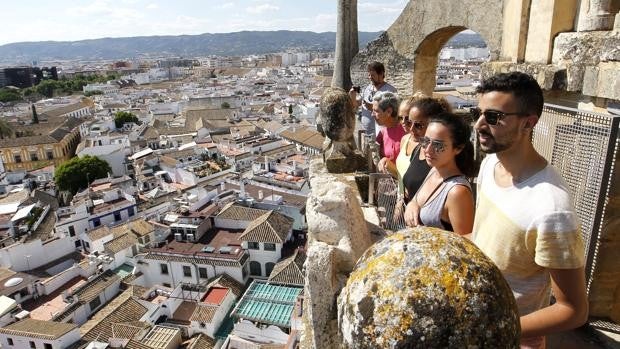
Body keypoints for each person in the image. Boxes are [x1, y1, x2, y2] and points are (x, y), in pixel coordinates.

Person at [472, 72, 588, 348]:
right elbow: (481, 239)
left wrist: (499, 330)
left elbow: (573, 309)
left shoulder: (550, 209)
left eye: (493, 117)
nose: (478, 125)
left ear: (529, 122)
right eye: (477, 113)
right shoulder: (491, 165)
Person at [403, 112, 475, 236]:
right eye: (425, 141)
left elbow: (466, 244)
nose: (428, 149)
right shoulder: (434, 170)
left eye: (438, 145)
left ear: (458, 148)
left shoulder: (457, 192)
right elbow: (417, 199)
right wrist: (412, 204)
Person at [400, 97, 452, 202]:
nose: (411, 129)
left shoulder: (442, 157)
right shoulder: (418, 149)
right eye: (410, 122)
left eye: (418, 125)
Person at [349, 61, 397, 137]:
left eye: (373, 75)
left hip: (382, 133)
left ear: (381, 74)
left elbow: (392, 113)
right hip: (365, 133)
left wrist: (372, 108)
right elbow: (356, 104)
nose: (370, 77)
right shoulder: (367, 89)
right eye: (369, 75)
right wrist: (352, 96)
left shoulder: (390, 91)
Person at [372, 91, 406, 178]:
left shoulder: (407, 131)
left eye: (376, 111)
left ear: (388, 112)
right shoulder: (382, 133)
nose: (372, 114)